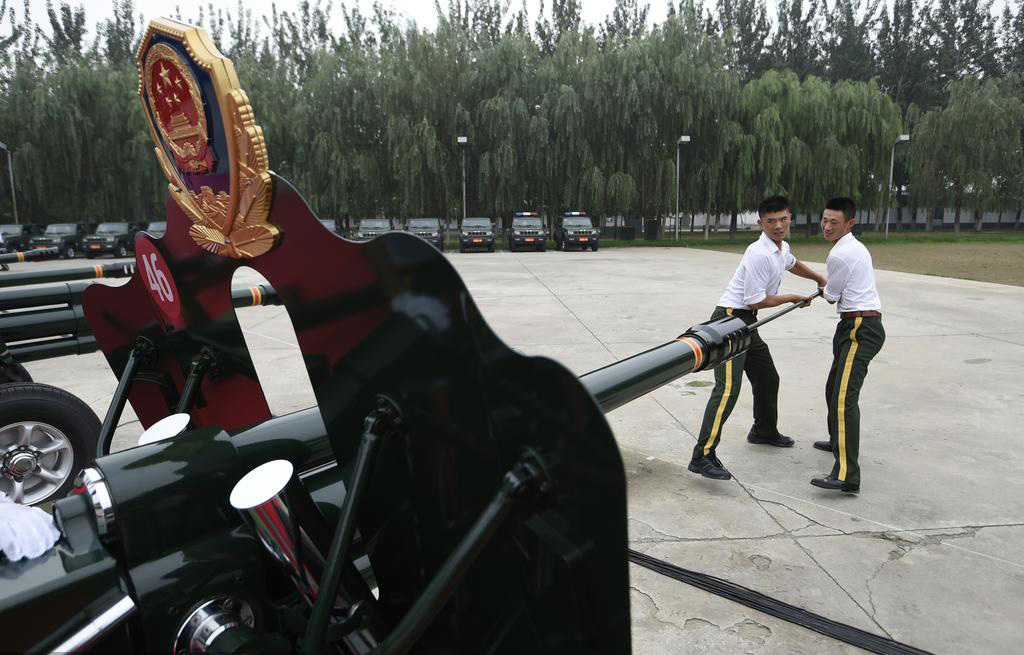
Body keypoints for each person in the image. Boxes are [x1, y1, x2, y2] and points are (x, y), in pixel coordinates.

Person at [688, 195, 826, 480]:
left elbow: (792, 262)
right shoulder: (758, 253)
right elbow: (754, 301)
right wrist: (793, 297)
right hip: (728, 322)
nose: (778, 226)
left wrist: (819, 279)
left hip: (746, 323)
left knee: (767, 376)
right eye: (771, 221)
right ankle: (701, 456)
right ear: (760, 223)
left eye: (783, 219)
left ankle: (763, 430)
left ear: (790, 217)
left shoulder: (781, 247)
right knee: (728, 389)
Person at [811, 197, 885, 494]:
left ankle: (846, 475)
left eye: (834, 222)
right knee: (834, 388)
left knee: (844, 398)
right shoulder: (852, 246)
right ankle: (837, 439)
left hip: (860, 328)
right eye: (824, 220)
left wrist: (822, 290)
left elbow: (831, 295)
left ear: (849, 224)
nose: (827, 227)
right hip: (852, 324)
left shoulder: (840, 255)